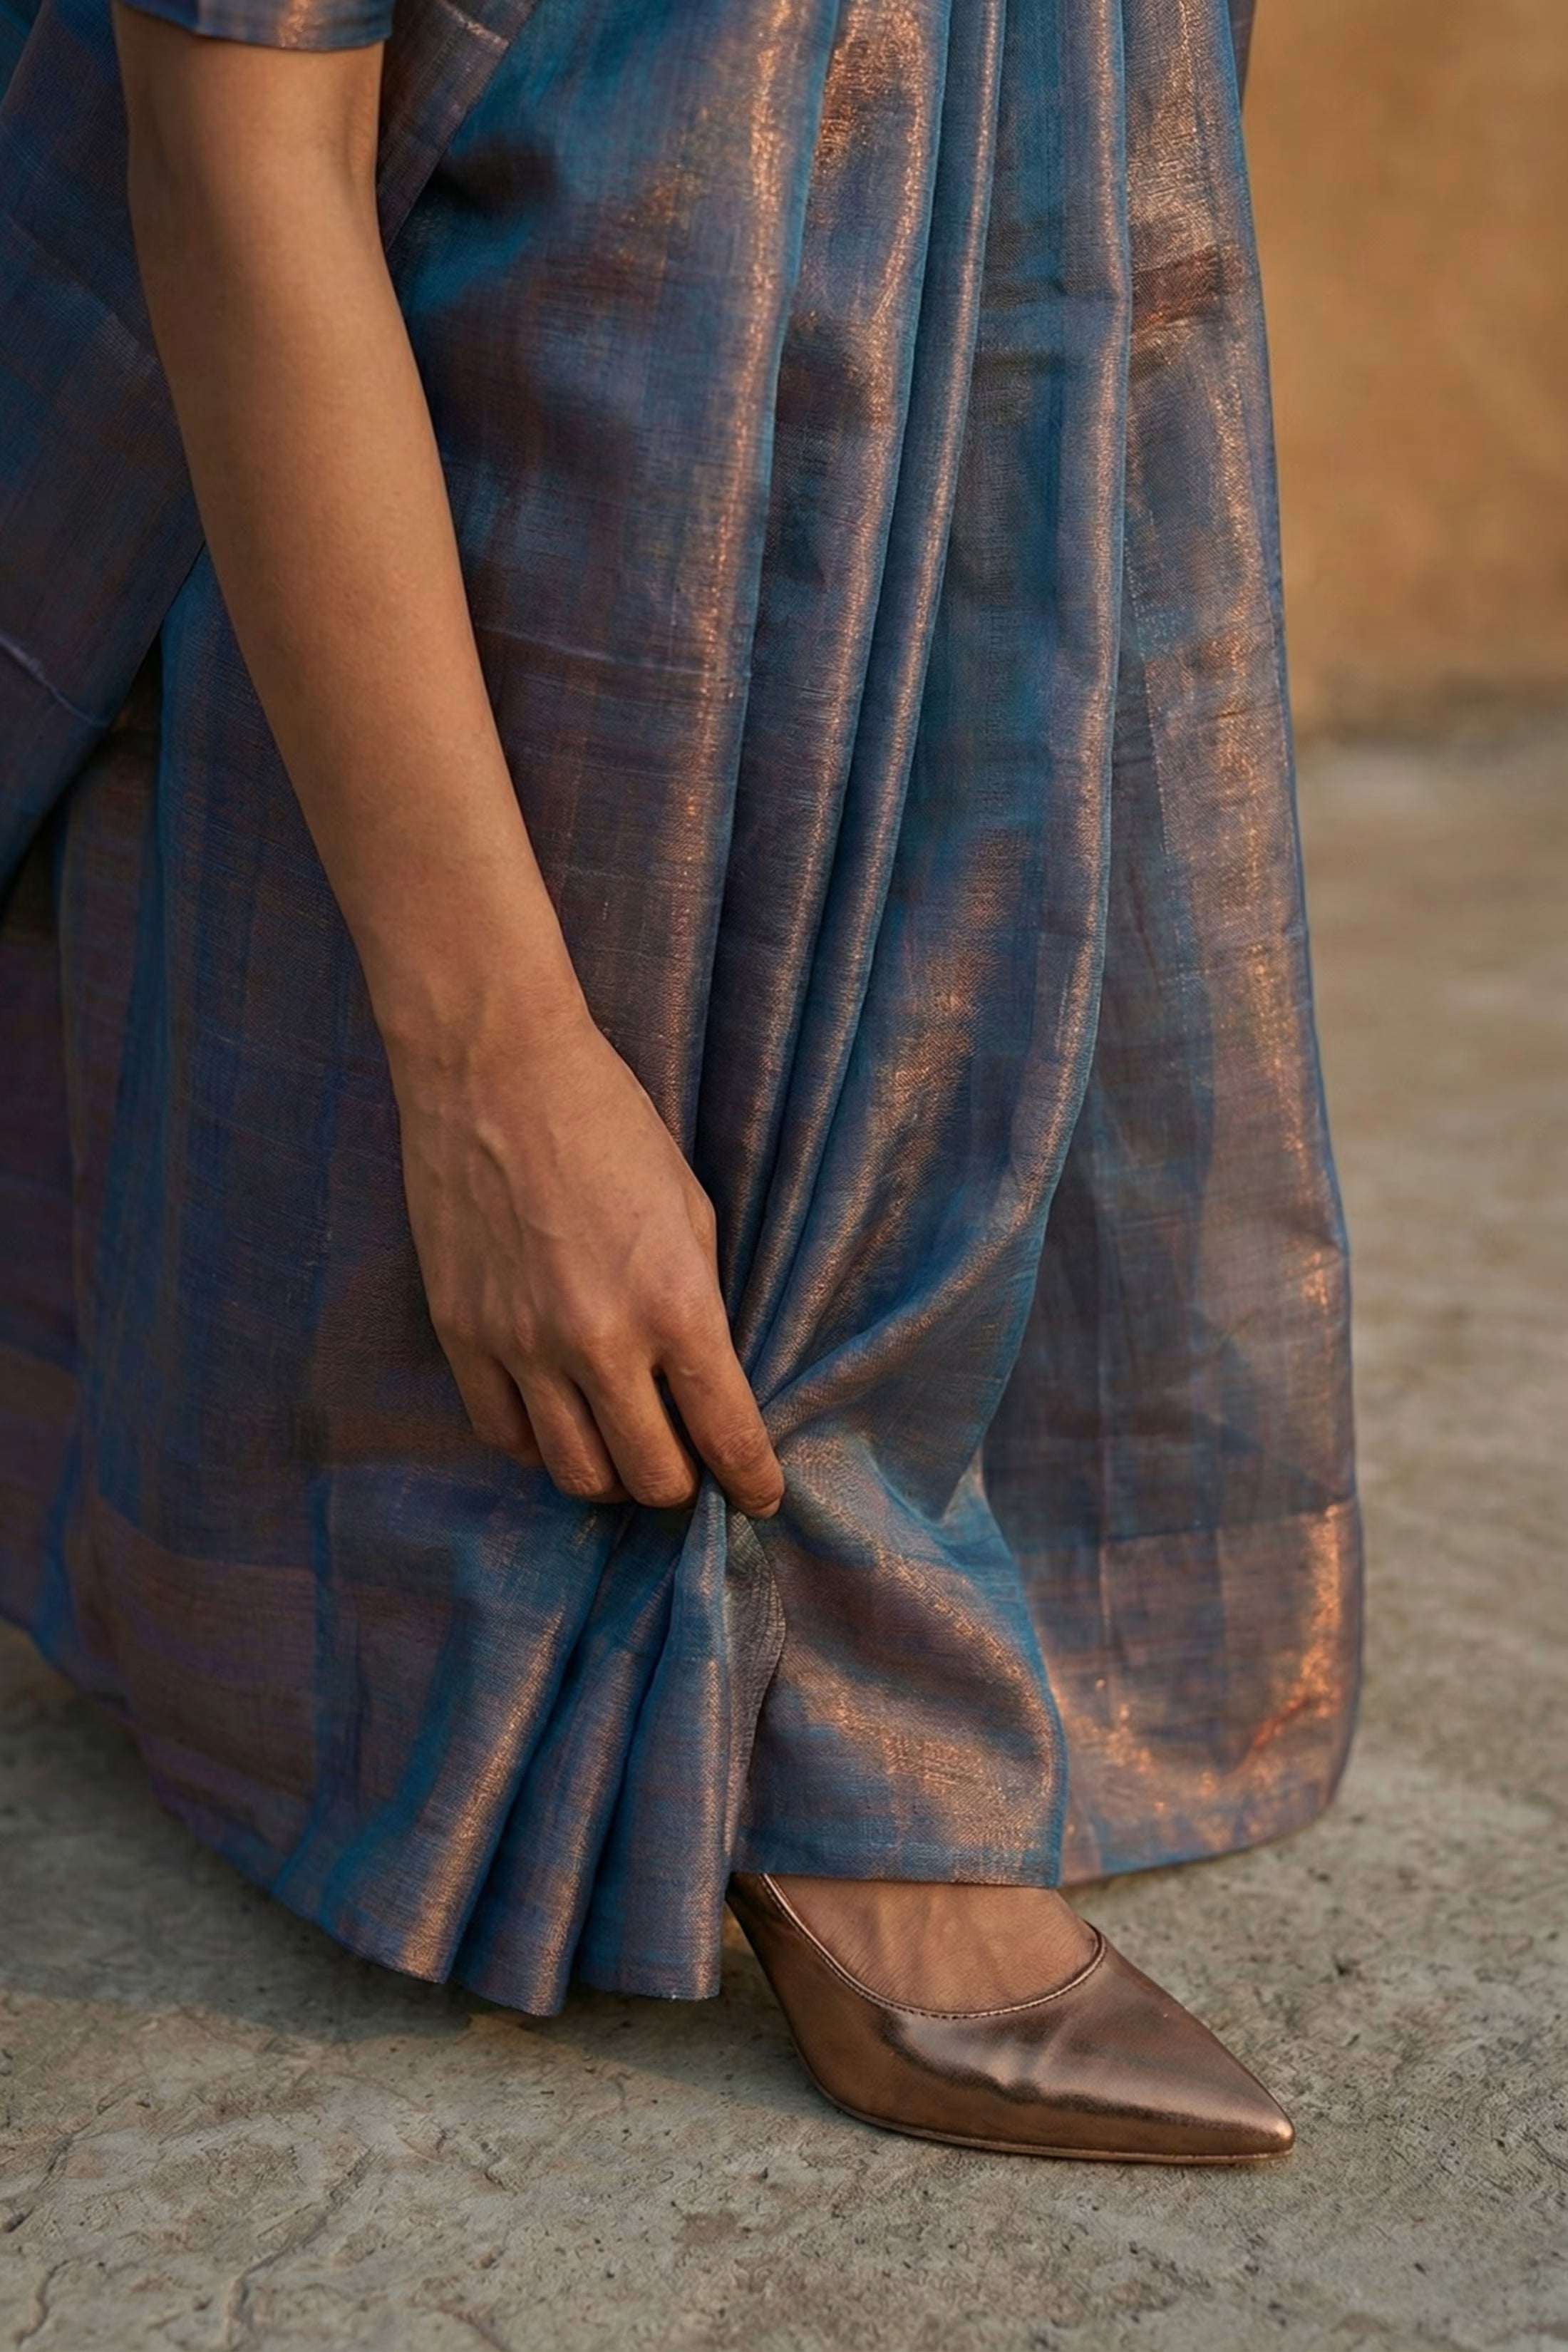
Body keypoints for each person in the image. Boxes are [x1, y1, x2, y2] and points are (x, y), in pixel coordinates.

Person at [0, 0, 1361, 2160]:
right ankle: (776, 1662)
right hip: (560, 456)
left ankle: (870, 1548)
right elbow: (240, 150)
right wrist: (492, 1063)